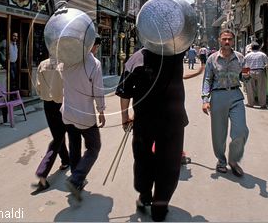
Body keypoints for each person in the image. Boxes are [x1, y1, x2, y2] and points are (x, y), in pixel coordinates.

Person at [117, 47, 188, 222]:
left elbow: (125, 89)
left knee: (143, 158)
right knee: (168, 162)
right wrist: (126, 116)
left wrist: (125, 117)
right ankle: (158, 205)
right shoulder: (177, 53)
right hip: (169, 119)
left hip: (149, 119)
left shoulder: (137, 57)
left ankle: (146, 195)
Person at [61, 41, 106, 201]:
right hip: (84, 114)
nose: (97, 49)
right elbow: (98, 90)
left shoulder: (67, 60)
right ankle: (76, 178)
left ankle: (76, 180)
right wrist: (101, 110)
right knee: (94, 147)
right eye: (97, 45)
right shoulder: (94, 63)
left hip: (68, 112)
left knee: (74, 146)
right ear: (92, 46)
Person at [201, 29, 248, 177]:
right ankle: (221, 161)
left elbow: (245, 77)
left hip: (236, 95)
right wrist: (205, 99)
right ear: (219, 40)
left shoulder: (240, 58)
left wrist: (247, 76)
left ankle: (233, 160)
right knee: (219, 133)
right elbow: (207, 79)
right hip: (218, 96)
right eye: (224, 39)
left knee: (241, 130)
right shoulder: (212, 59)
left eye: (229, 39)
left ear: (233, 41)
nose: (227, 42)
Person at [32, 55, 70, 194]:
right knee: (58, 138)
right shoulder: (65, 65)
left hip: (48, 105)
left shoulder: (42, 64)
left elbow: (38, 88)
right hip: (62, 104)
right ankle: (43, 171)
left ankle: (66, 160)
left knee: (58, 134)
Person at [243, 42, 268, 108]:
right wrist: (265, 67)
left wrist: (245, 75)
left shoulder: (247, 55)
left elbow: (244, 65)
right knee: (261, 88)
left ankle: (250, 103)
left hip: (250, 71)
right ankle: (262, 104)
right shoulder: (262, 54)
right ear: (259, 48)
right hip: (260, 71)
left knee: (250, 88)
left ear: (251, 48)